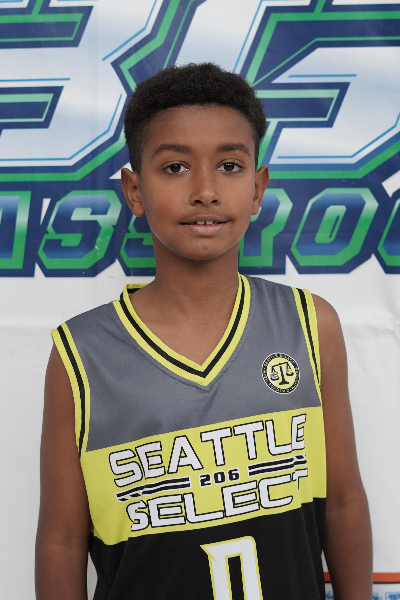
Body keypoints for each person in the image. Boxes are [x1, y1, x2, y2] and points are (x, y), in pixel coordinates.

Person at [35, 63, 372, 600]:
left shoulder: (310, 324)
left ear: (258, 188)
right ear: (134, 190)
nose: (206, 190)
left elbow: (344, 503)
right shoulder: (81, 354)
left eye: (230, 166)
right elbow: (62, 541)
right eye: (174, 167)